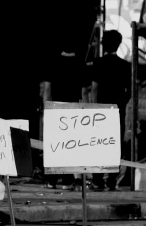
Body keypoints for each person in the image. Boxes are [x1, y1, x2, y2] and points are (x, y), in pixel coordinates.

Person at [40, 47, 90, 191]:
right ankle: (67, 181)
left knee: (54, 145)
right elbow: (84, 91)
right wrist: (86, 113)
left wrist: (46, 110)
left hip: (55, 108)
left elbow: (47, 90)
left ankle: (51, 180)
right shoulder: (80, 63)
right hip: (73, 110)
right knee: (70, 145)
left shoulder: (53, 62)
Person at [89, 30, 131, 191]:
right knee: (115, 145)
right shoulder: (126, 66)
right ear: (119, 44)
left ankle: (97, 179)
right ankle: (112, 179)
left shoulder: (98, 63)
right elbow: (129, 92)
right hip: (117, 111)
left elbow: (94, 88)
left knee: (98, 145)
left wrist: (94, 107)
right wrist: (121, 104)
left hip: (100, 111)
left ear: (104, 44)